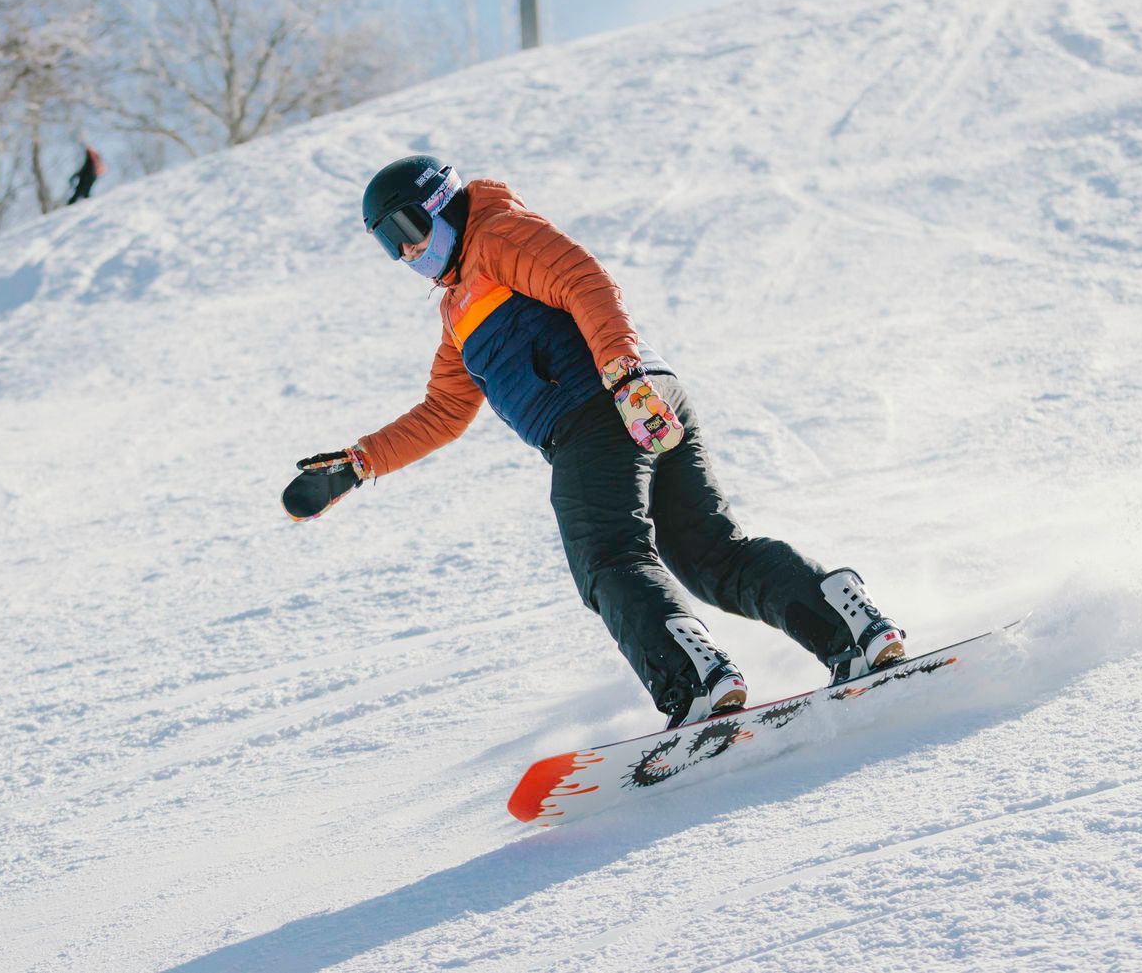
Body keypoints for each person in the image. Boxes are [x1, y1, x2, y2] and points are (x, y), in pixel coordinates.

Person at [283, 157, 909, 730]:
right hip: (632, 398)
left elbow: (584, 281)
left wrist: (622, 374)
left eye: (408, 226)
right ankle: (849, 627)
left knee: (606, 555)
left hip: (603, 404)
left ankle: (695, 682)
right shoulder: (457, 312)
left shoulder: (498, 234)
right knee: (709, 555)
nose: (407, 251)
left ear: (441, 201)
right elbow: (444, 411)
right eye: (388, 244)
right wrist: (359, 464)